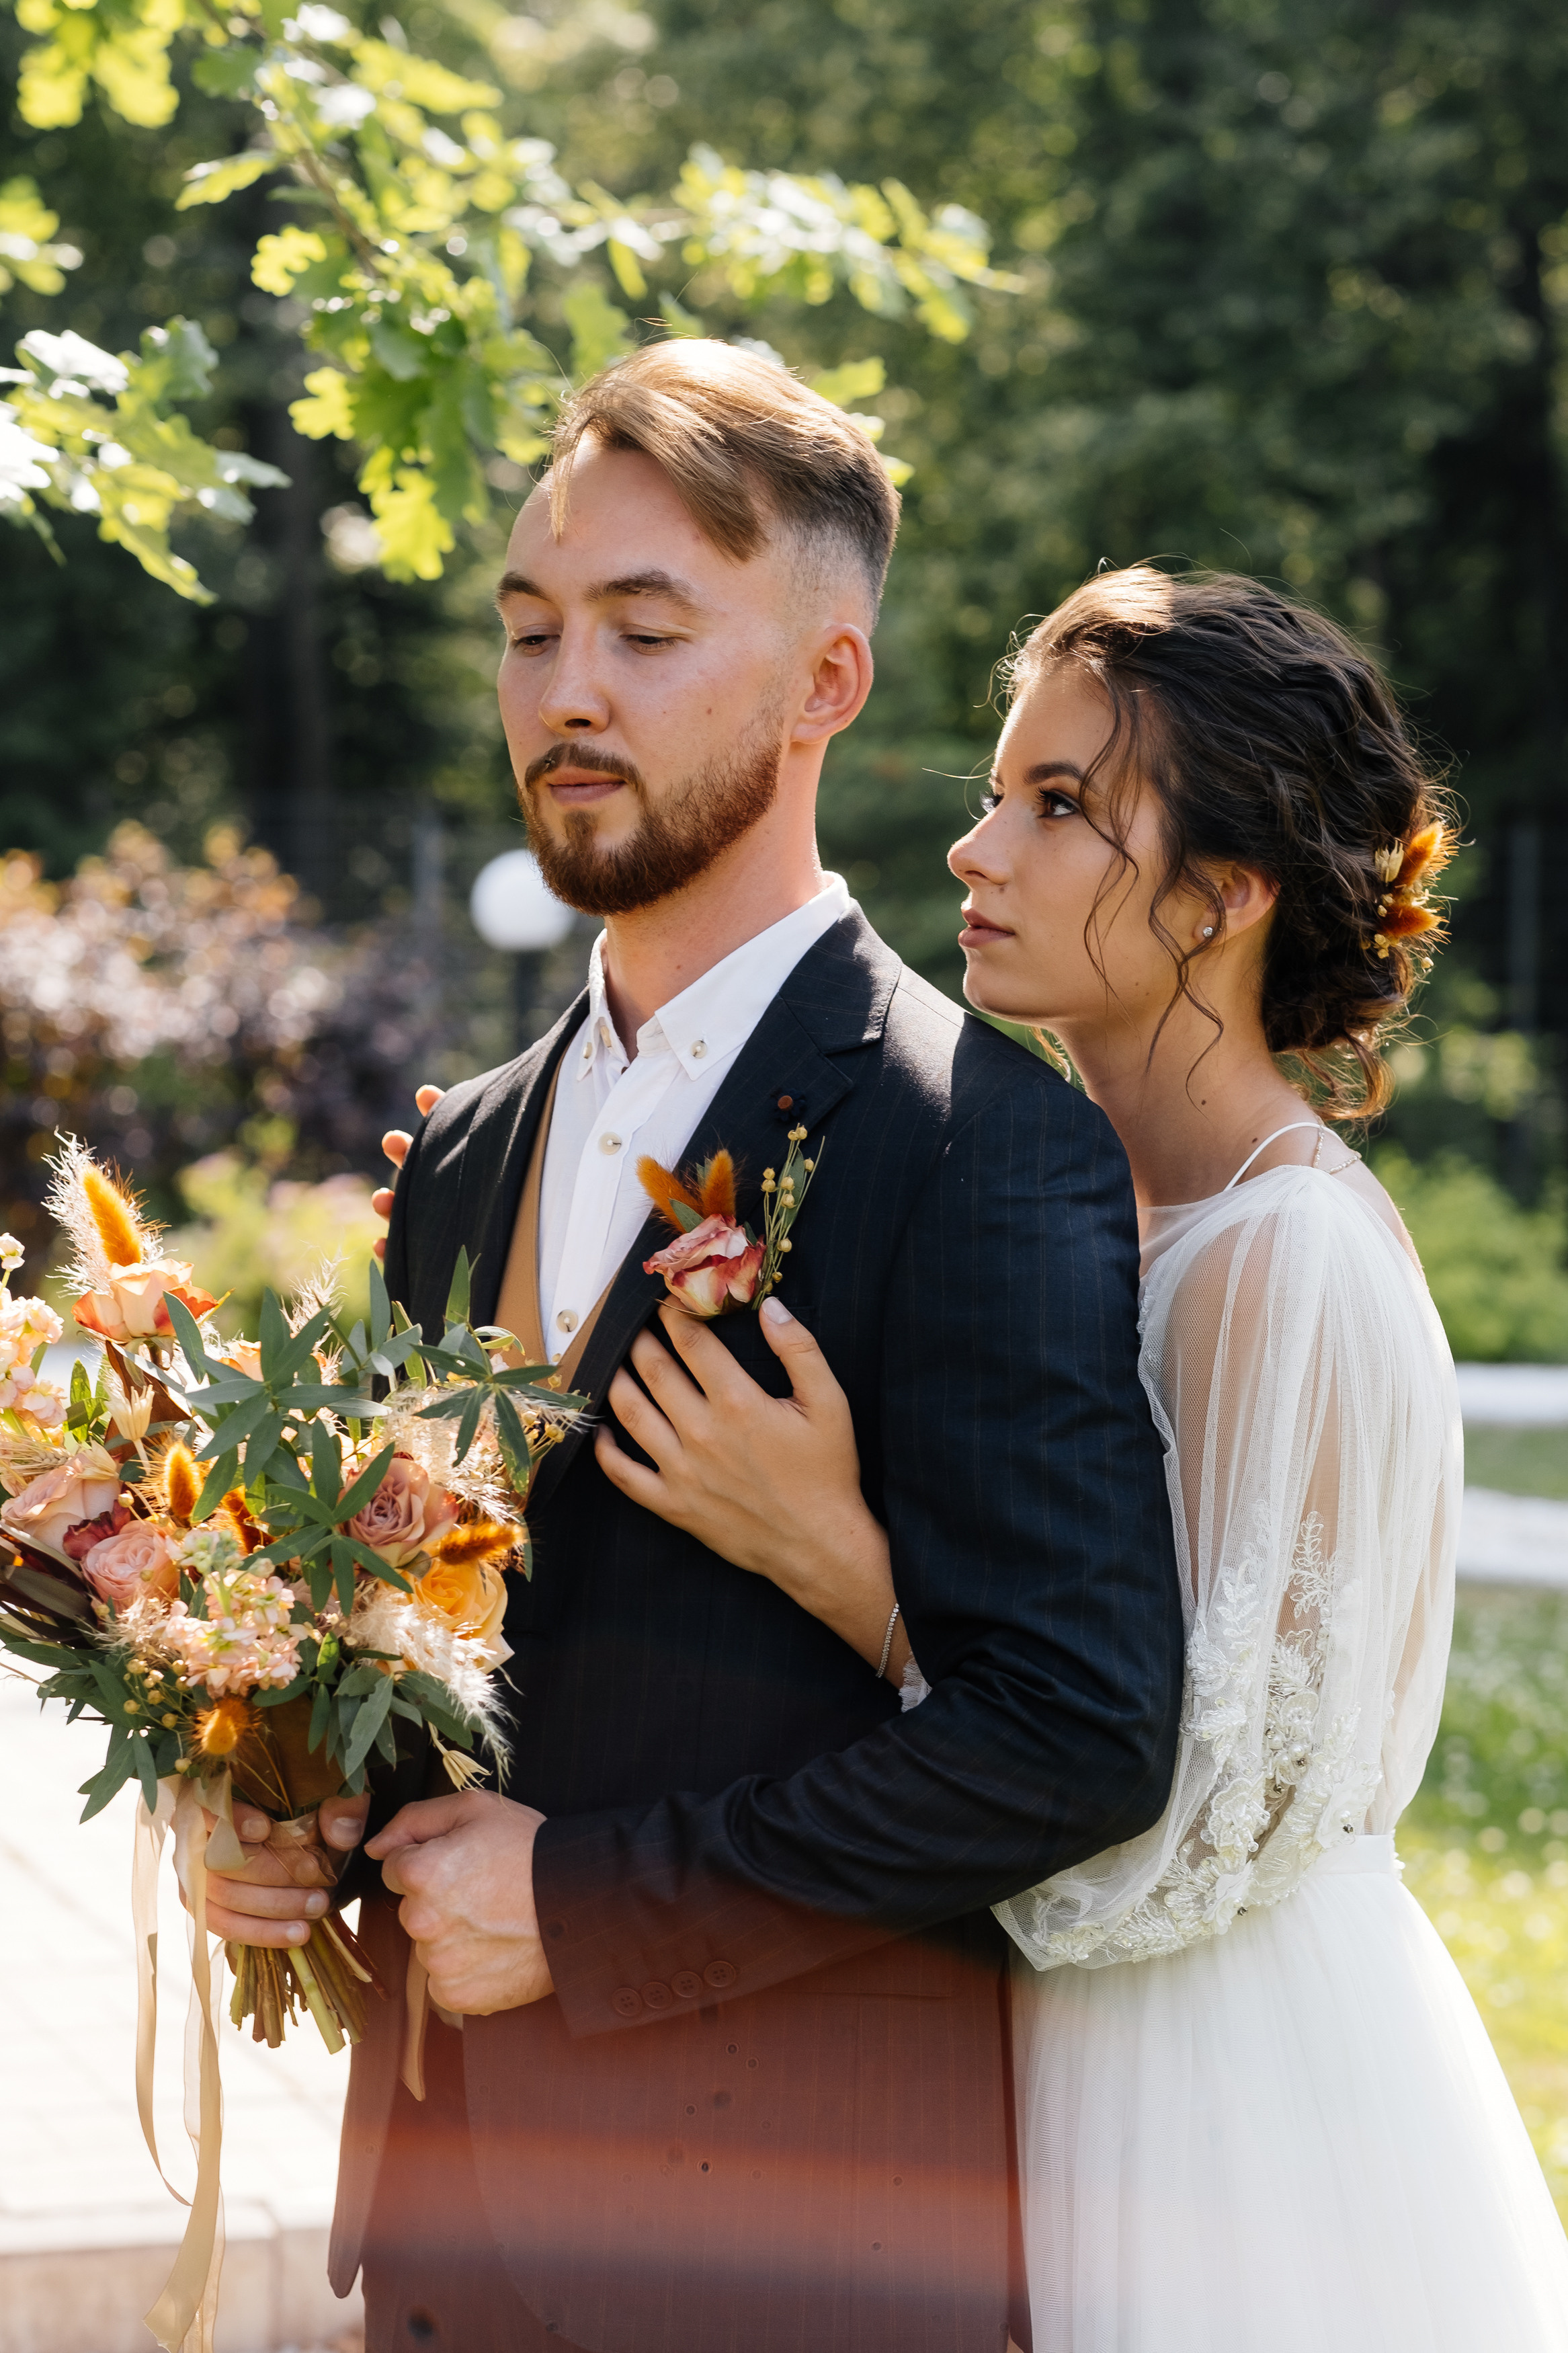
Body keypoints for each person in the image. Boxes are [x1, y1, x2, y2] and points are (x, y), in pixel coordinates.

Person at [200, 342, 1186, 2352]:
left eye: (646, 632)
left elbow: (1078, 1727)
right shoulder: (463, 1147)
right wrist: (280, 1791)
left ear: (829, 682)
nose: (567, 692)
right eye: (532, 629)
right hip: (438, 2232)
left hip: (791, 2260)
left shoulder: (974, 1142)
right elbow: (451, 1646)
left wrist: (578, 1905)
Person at [599, 565, 1568, 2351]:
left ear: (1224, 895)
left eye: (1059, 808)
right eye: (994, 792)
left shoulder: (1289, 1264)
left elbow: (1177, 1840)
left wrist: (841, 1559)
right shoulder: (1033, 1201)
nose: (975, 852)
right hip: (983, 2060)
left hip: (1218, 2086)